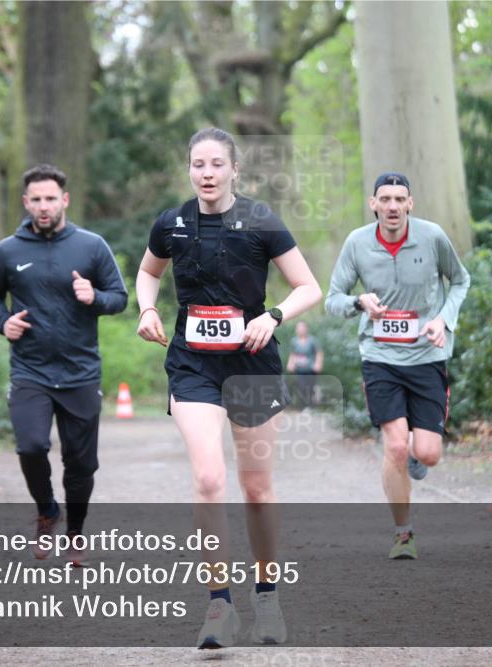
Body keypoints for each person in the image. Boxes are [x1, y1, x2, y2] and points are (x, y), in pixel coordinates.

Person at [135, 128, 322, 648]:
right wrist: (147, 308)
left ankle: (267, 596)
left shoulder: (261, 221)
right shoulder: (170, 224)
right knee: (210, 479)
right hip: (193, 364)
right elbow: (148, 272)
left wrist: (275, 316)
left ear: (234, 169)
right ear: (189, 169)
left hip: (252, 364)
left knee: (257, 487)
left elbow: (309, 286)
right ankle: (219, 605)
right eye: (198, 164)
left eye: (217, 164)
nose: (207, 173)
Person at [0, 164, 127, 567]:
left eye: (50, 199)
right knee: (30, 446)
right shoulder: (8, 250)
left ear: (64, 200)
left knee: (80, 464)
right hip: (30, 370)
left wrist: (93, 296)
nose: (43, 207)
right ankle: (47, 510)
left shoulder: (92, 246)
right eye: (36, 200)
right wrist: (2, 322)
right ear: (26, 203)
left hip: (80, 372)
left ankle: (76, 533)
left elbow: (119, 297)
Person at [325, 172, 470, 560]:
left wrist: (443, 319)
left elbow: (460, 281)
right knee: (393, 445)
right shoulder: (357, 243)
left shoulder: (433, 237)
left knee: (428, 453)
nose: (392, 206)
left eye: (399, 199)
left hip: (426, 356)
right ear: (373, 204)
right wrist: (359, 302)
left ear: (410, 204)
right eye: (384, 199)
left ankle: (415, 456)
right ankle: (403, 534)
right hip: (380, 357)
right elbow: (332, 299)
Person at [286, 321, 323, 408]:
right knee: (301, 387)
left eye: (302, 328)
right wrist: (290, 364)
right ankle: (303, 406)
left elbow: (319, 353)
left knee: (310, 387)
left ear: (306, 329)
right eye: (298, 328)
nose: (300, 330)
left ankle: (311, 406)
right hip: (299, 369)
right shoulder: (294, 341)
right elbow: (293, 354)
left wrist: (318, 364)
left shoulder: (312, 340)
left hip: (310, 368)